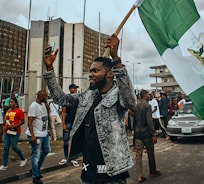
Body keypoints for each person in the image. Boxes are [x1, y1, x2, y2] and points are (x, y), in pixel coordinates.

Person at [43, 34, 136, 184]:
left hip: (112, 174)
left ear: (109, 74)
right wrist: (49, 69)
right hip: (88, 172)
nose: (90, 75)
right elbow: (61, 99)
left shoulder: (118, 96)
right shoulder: (87, 96)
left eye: (95, 71)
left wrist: (116, 59)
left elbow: (131, 102)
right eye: (90, 71)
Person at [25, 90, 52, 184]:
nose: (47, 97)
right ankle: (35, 177)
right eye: (46, 96)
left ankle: (35, 169)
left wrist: (49, 131)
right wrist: (33, 135)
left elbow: (47, 118)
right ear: (41, 96)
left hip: (44, 133)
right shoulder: (33, 106)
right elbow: (29, 121)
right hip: (36, 134)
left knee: (46, 150)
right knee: (35, 155)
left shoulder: (44, 104)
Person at [134, 89, 160, 183]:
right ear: (145, 95)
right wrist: (153, 134)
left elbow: (134, 121)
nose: (150, 96)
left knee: (138, 155)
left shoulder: (136, 106)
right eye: (149, 94)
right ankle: (152, 171)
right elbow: (149, 121)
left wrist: (134, 134)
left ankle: (139, 176)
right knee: (150, 153)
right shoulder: (147, 106)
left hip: (137, 133)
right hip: (146, 134)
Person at [0, 97, 27, 170]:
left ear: (15, 103)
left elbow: (22, 121)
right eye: (9, 102)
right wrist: (6, 124)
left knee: (14, 146)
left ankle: (23, 159)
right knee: (6, 147)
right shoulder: (8, 111)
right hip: (7, 131)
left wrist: (14, 126)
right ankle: (4, 164)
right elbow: (6, 120)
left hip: (15, 131)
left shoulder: (19, 111)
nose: (10, 104)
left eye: (12, 102)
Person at [58, 83, 79, 167]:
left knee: (74, 141)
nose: (76, 90)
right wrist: (63, 124)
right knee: (66, 141)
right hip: (68, 122)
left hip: (75, 123)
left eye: (76, 88)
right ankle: (66, 157)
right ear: (70, 89)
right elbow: (63, 112)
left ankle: (73, 158)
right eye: (74, 88)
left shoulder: (78, 99)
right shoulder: (66, 99)